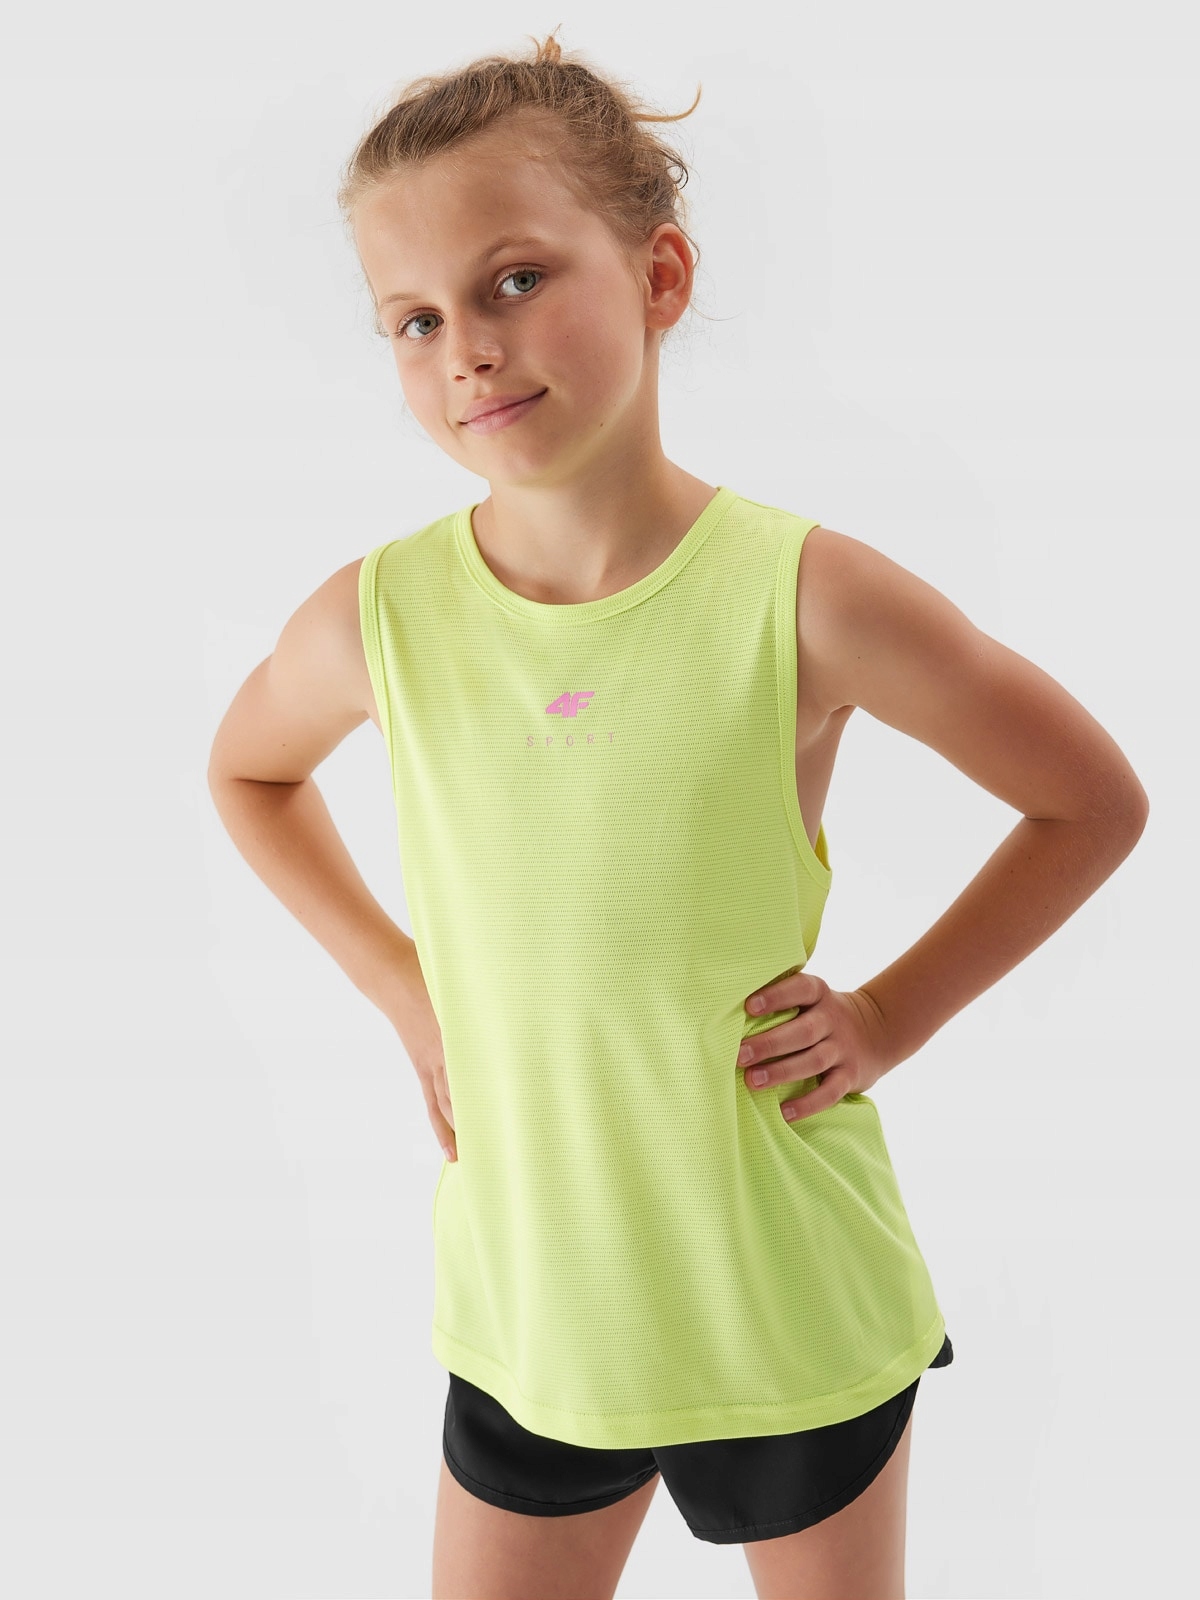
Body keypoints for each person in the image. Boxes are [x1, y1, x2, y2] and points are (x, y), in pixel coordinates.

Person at [207, 28, 1149, 1600]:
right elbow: (249, 773)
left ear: (659, 276)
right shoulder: (374, 622)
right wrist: (402, 985)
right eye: (415, 318)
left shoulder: (805, 597)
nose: (467, 349)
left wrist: (889, 1018)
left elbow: (1091, 801)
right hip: (534, 1314)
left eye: (515, 280)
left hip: (780, 1297)